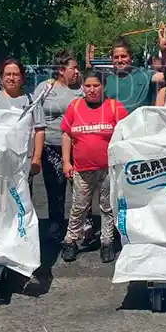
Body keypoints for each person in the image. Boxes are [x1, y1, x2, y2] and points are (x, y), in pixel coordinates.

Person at [60, 69, 128, 264]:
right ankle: (71, 241)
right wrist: (66, 162)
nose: (91, 90)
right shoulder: (74, 107)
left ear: (103, 87)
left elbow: (126, 135)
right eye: (87, 86)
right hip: (82, 170)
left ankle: (107, 242)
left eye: (96, 86)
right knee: (79, 207)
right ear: (82, 87)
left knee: (107, 207)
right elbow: (66, 135)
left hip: (108, 170)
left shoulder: (115, 108)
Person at [33, 51, 82, 242]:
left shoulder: (81, 90)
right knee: (55, 189)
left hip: (75, 146)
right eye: (73, 68)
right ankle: (55, 224)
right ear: (61, 70)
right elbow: (33, 114)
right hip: (50, 146)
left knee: (79, 190)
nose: (77, 71)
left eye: (77, 68)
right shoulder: (45, 88)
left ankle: (80, 226)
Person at [0, 58, 46, 176]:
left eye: (16, 74)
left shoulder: (32, 101)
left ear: (22, 78)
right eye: (8, 74)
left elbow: (40, 131)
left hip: (23, 162)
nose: (11, 78)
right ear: (1, 77)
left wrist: (36, 159)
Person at [95, 31, 166, 114]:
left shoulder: (144, 75)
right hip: (116, 126)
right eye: (116, 57)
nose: (119, 60)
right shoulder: (106, 82)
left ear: (131, 57)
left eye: (123, 56)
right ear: (111, 59)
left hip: (141, 125)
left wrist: (164, 52)